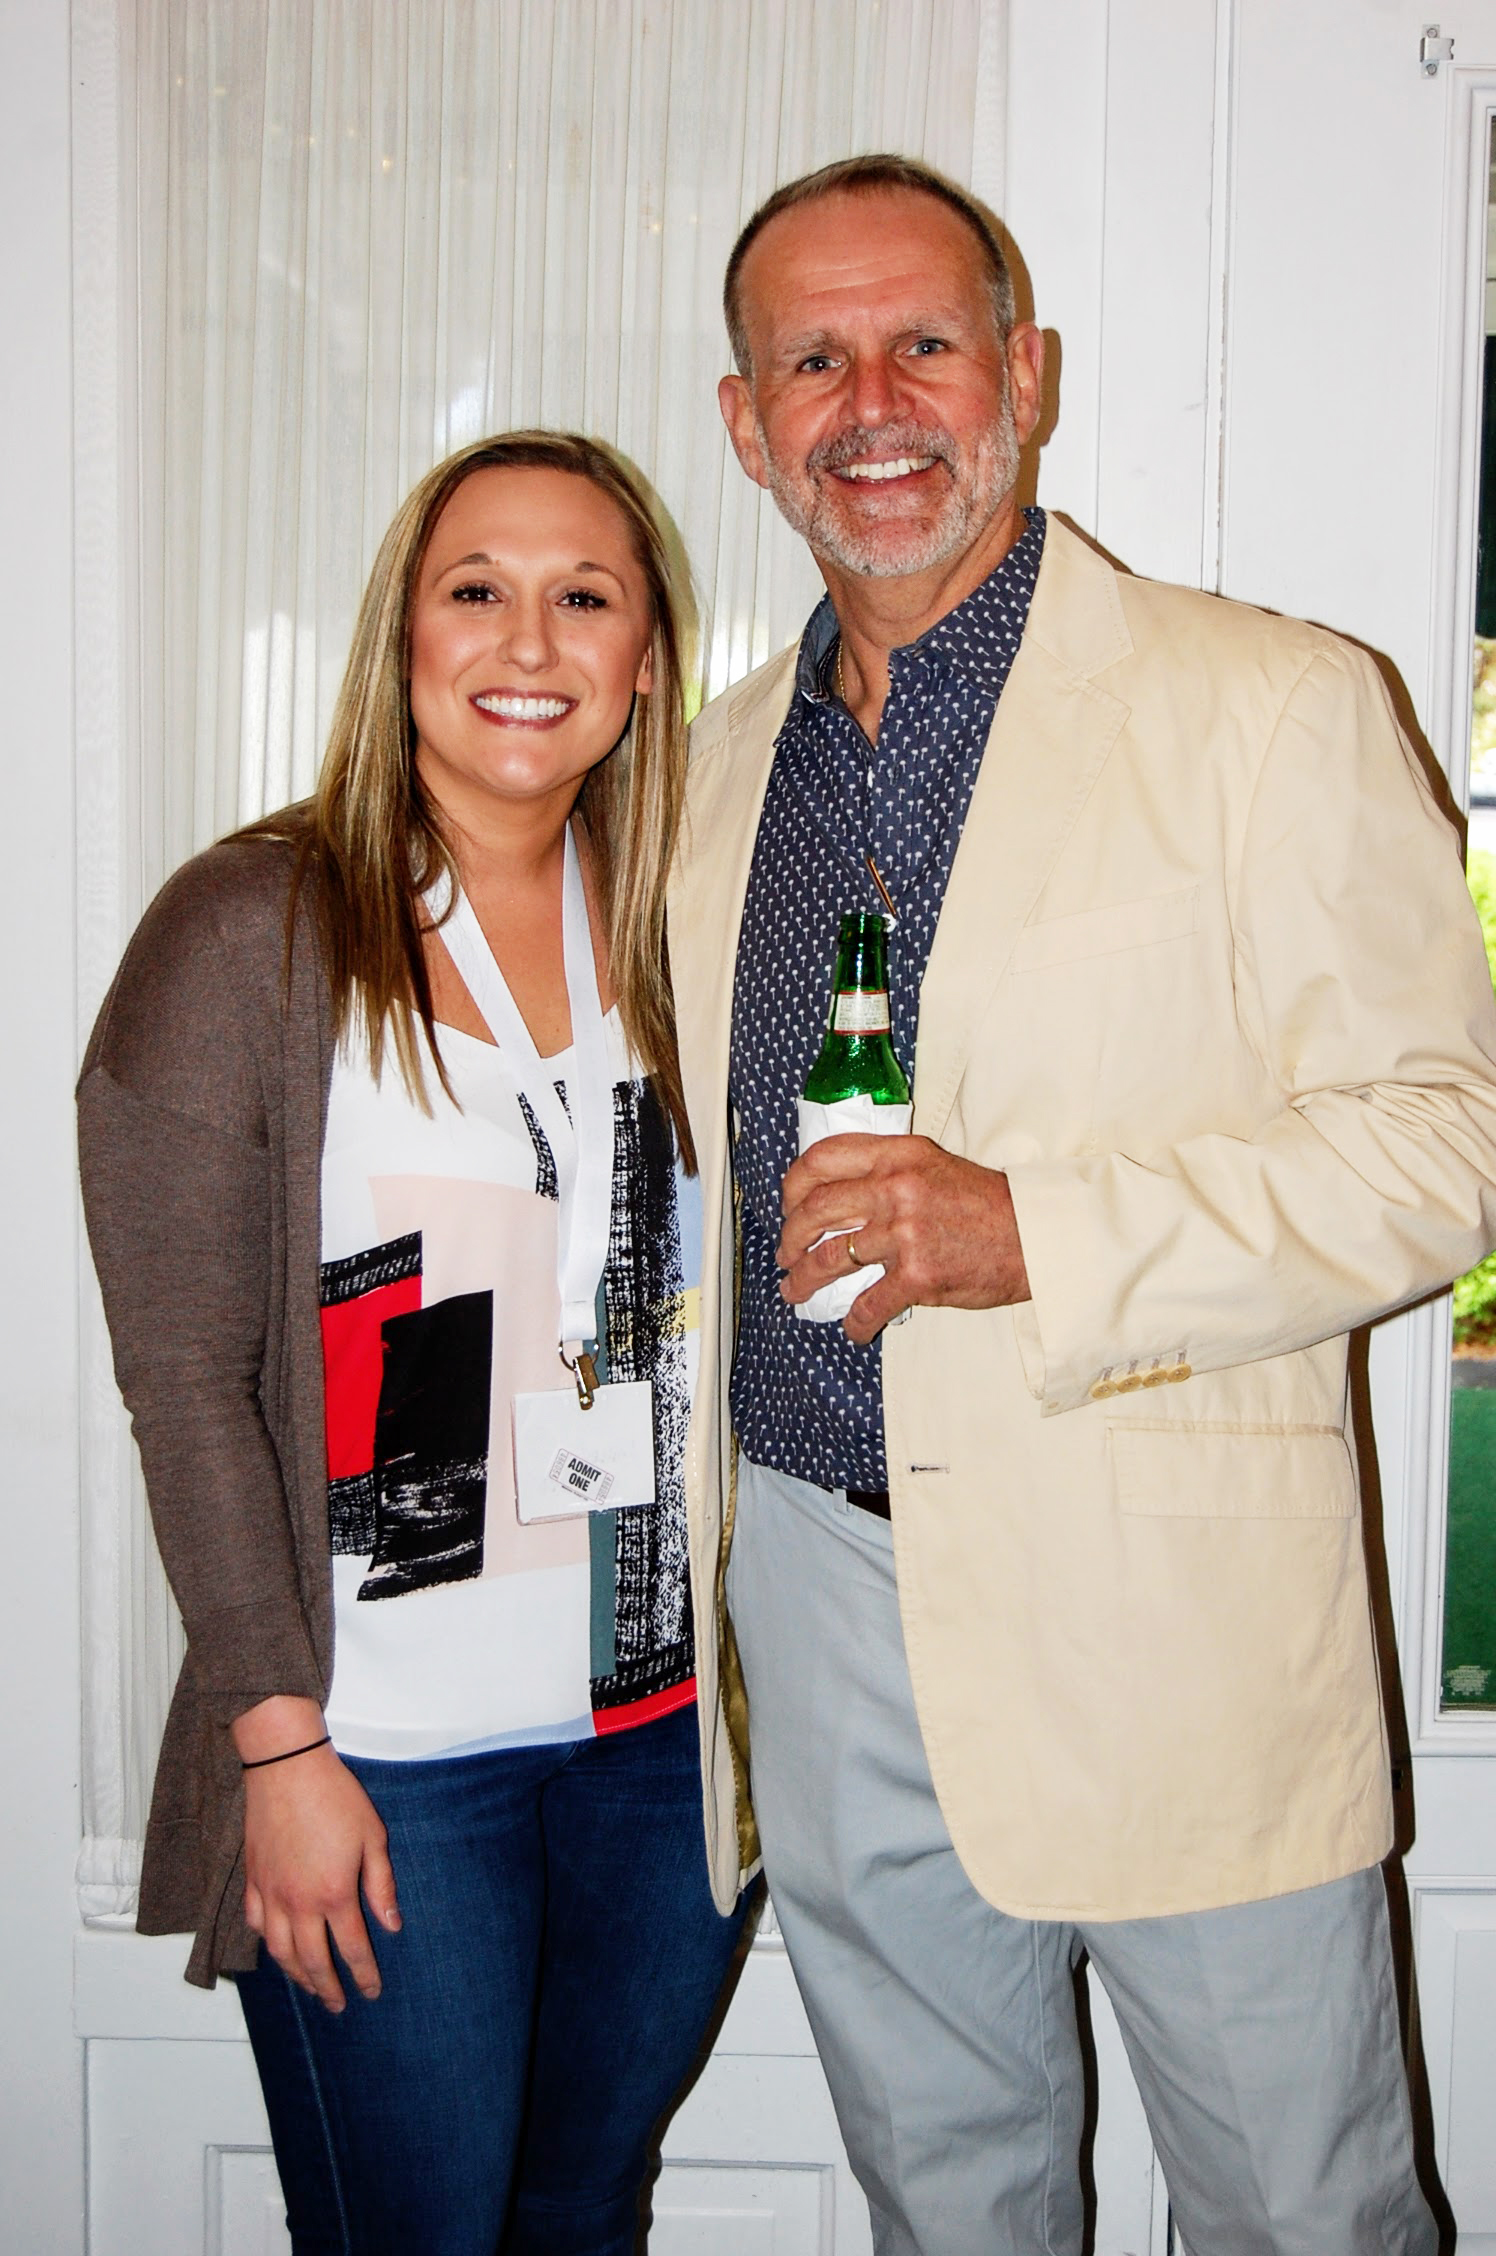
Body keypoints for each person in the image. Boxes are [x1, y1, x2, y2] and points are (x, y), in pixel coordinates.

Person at [665, 154, 1496, 2254]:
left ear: (1021, 374)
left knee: (1298, 2214)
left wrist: (1033, 1232)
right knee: (948, 2210)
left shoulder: (1272, 707)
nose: (876, 403)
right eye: (814, 361)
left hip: (1176, 1628)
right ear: (748, 423)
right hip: (825, 1606)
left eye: (924, 342)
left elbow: (1444, 1140)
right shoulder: (702, 768)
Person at [78, 430, 746, 2256]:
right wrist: (277, 1750)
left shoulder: (689, 928)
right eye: (478, 590)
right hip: (386, 1758)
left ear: (645, 662)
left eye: (584, 596)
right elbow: (186, 1381)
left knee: (586, 2215)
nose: (529, 638)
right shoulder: (253, 932)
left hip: (656, 1738)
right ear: (400, 638)